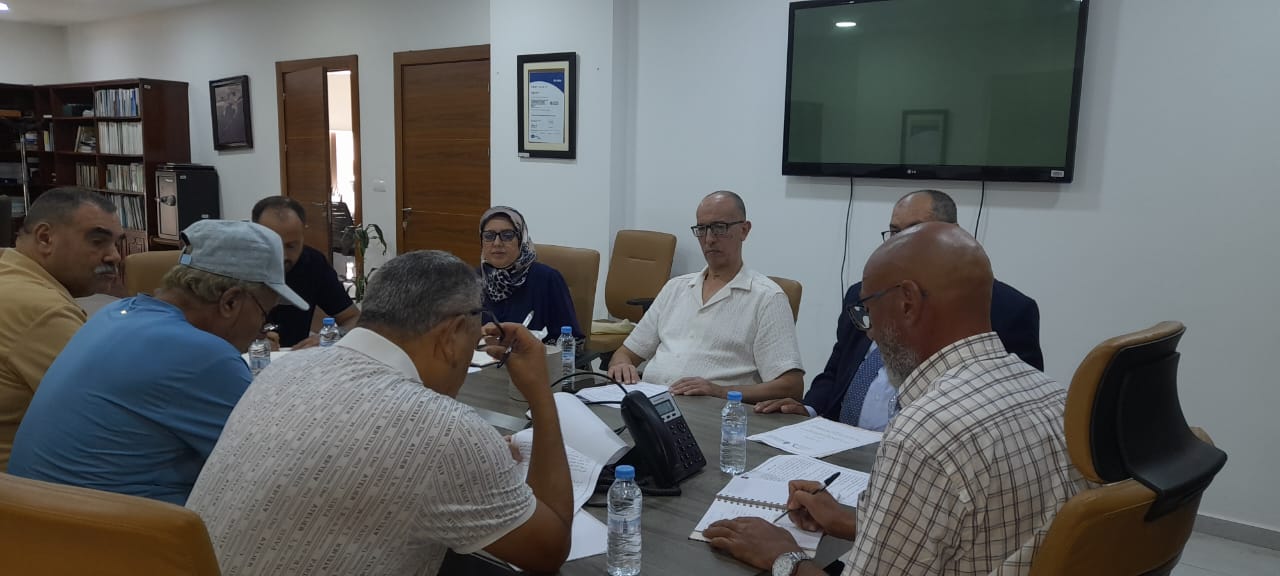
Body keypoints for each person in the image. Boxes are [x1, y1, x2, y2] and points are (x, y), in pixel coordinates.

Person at [702, 223, 1090, 576]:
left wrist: (782, 557)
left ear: (907, 302)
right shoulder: (1056, 397)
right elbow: (977, 528)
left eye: (868, 312)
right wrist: (848, 520)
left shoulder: (925, 433)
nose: (869, 333)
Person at [186, 250, 573, 575]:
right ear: (453, 334)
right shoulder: (444, 432)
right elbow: (548, 551)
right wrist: (540, 393)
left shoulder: (283, 370)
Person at [7, 220, 307, 504]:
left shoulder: (115, 314)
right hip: (114, 531)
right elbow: (277, 468)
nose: (261, 329)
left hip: (41, 522)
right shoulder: (203, 355)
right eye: (265, 314)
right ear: (230, 302)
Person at [756, 189, 1043, 429]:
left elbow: (1012, 406)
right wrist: (808, 410)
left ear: (950, 234)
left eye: (914, 231)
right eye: (894, 232)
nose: (900, 243)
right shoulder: (864, 294)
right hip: (836, 441)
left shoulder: (1007, 309)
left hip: (924, 448)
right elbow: (835, 372)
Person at [607, 191, 804, 402]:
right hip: (653, 402)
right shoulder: (676, 288)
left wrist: (720, 391)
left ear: (744, 230)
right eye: (701, 229)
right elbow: (625, 353)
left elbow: (791, 386)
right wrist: (621, 365)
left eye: (720, 228)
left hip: (713, 411)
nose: (709, 239)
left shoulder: (767, 298)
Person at [0, 187, 123, 470]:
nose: (114, 256)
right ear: (45, 238)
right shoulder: (41, 310)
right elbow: (111, 416)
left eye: (116, 244)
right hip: (24, 487)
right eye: (97, 241)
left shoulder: (8, 269)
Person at [251, 196, 359, 348]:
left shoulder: (313, 263)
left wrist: (332, 336)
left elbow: (353, 318)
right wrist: (249, 343)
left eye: (291, 246)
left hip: (296, 356)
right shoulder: (233, 266)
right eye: (273, 245)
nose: (283, 256)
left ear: (303, 235)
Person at [479, 206, 583, 346]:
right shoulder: (471, 281)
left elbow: (572, 341)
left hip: (534, 357)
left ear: (521, 239)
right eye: (489, 236)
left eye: (507, 235)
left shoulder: (547, 279)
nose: (497, 243)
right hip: (481, 358)